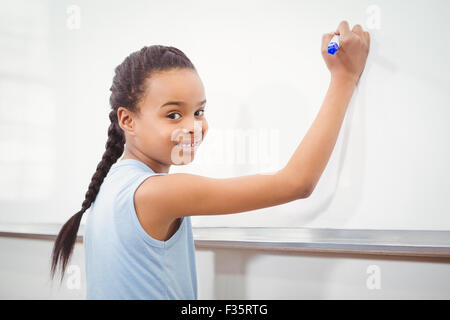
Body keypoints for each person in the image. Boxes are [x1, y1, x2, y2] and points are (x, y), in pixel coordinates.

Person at [50, 20, 370, 299]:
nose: (193, 126)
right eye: (174, 114)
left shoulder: (112, 184)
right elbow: (297, 183)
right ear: (128, 120)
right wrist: (343, 77)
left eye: (199, 111)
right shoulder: (157, 193)